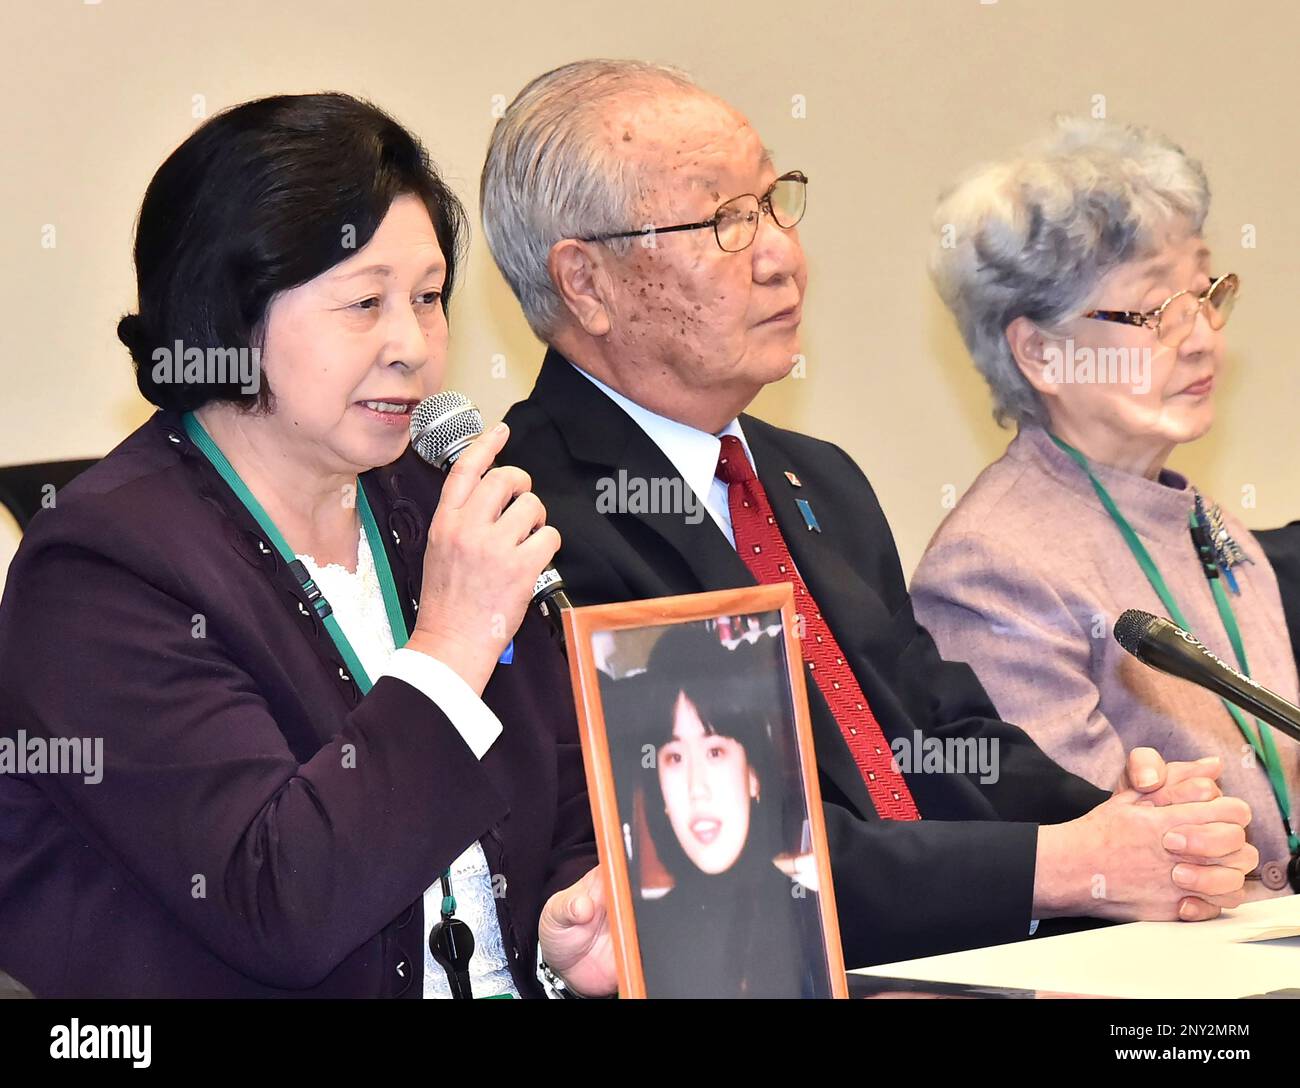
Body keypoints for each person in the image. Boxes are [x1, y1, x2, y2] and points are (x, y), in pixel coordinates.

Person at [480, 59, 1258, 967]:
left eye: (776, 203)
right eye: (727, 222)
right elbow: (729, 855)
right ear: (586, 283)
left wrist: (1135, 830)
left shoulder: (816, 479)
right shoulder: (530, 517)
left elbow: (941, 739)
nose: (781, 254)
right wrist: (1062, 865)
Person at [0, 93, 614, 998]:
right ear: (231, 313)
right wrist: (449, 647)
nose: (412, 345)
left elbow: (566, 795)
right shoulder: (101, 574)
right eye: (364, 303)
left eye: (430, 298)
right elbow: (278, 902)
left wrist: (564, 932)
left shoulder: (432, 505)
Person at [914, 119, 1299, 896]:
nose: (1202, 338)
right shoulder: (993, 567)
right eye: (1158, 310)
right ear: (1040, 353)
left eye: (1206, 292)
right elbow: (1106, 862)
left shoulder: (1207, 522)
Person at [601, 623, 831, 998]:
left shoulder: (814, 914)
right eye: (674, 757)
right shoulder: (633, 939)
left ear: (754, 774)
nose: (696, 788)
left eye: (715, 752)